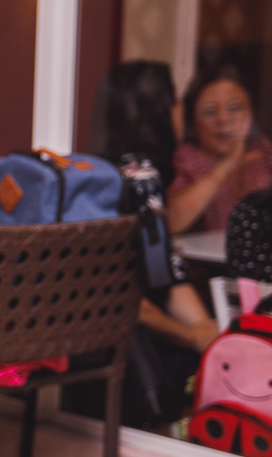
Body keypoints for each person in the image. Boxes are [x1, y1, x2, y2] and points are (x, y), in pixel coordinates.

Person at [81, 61, 217, 427]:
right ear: (158, 111)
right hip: (128, 344)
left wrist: (206, 331)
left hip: (86, 346)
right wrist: (199, 336)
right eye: (174, 101)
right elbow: (152, 284)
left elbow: (162, 272)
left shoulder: (95, 171)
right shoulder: (142, 177)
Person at [166, 64, 272, 234]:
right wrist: (227, 163)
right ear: (193, 122)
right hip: (205, 260)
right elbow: (171, 222)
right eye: (209, 112)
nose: (223, 119)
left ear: (251, 114)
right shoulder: (186, 159)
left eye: (234, 108)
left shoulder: (261, 149)